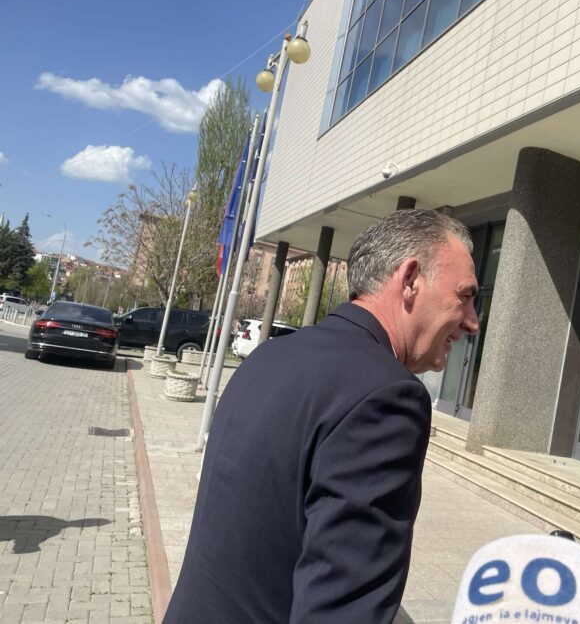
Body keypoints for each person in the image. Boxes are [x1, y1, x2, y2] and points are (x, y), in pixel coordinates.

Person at [163, 209, 479, 623]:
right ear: (410, 279)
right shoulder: (388, 396)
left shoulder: (269, 356)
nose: (473, 322)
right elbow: (342, 609)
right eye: (465, 296)